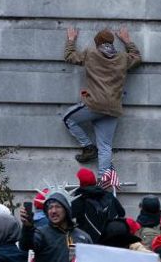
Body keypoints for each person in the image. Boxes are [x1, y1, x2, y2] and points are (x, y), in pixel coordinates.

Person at [62, 26, 142, 172]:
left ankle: (88, 146)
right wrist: (127, 41)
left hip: (94, 105)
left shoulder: (90, 53)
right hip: (113, 108)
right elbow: (137, 57)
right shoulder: (123, 58)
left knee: (68, 118)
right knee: (105, 146)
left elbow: (70, 56)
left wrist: (71, 39)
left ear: (97, 43)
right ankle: (103, 182)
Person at [19, 190, 91, 262]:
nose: (53, 211)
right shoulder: (41, 234)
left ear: (66, 209)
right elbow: (25, 245)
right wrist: (27, 227)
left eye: (58, 206)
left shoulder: (83, 237)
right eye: (50, 207)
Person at [69, 168, 126, 243]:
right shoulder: (109, 196)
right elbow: (122, 213)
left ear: (81, 183)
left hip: (88, 244)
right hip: (109, 242)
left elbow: (67, 218)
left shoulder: (79, 201)